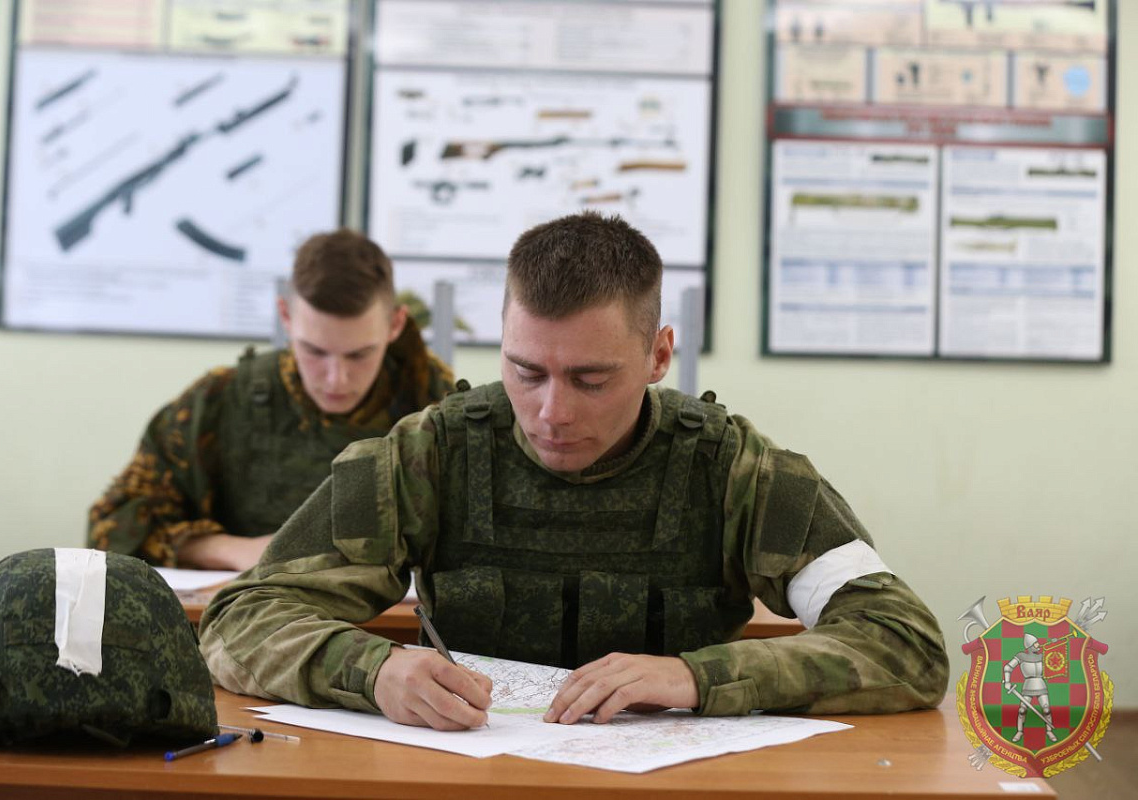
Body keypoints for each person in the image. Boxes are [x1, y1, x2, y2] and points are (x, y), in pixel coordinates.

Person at [199, 212, 948, 730]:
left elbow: (906, 645)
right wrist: (372, 670)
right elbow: (241, 621)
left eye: (591, 379)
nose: (551, 411)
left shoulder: (734, 470)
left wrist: (697, 677)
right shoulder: (428, 454)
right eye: (526, 372)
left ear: (659, 355)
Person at [87, 229, 454, 571]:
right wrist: (228, 549)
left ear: (395, 324)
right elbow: (110, 526)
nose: (336, 379)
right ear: (285, 317)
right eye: (314, 351)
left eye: (359, 355)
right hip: (250, 614)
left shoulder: (437, 408)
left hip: (396, 616)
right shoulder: (219, 401)